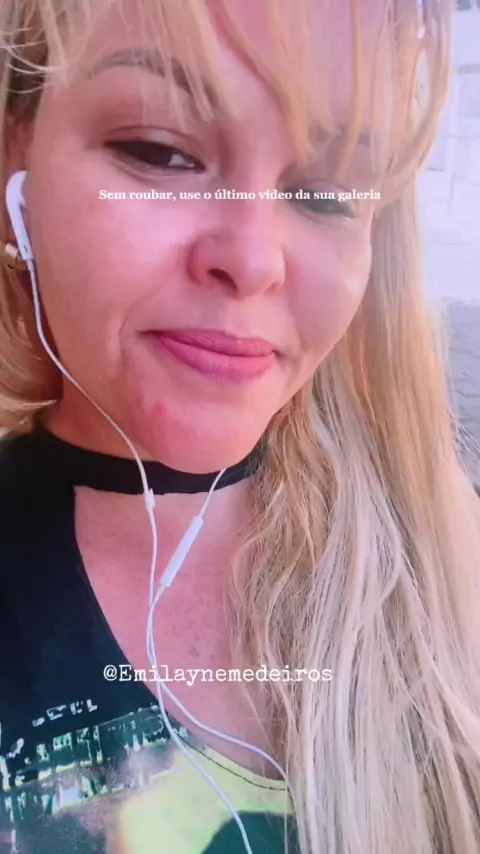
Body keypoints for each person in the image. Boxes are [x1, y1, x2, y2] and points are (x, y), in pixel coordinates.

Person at [1, 0, 480, 852]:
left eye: (325, 196)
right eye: (158, 150)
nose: (254, 260)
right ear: (18, 164)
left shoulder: (442, 553)